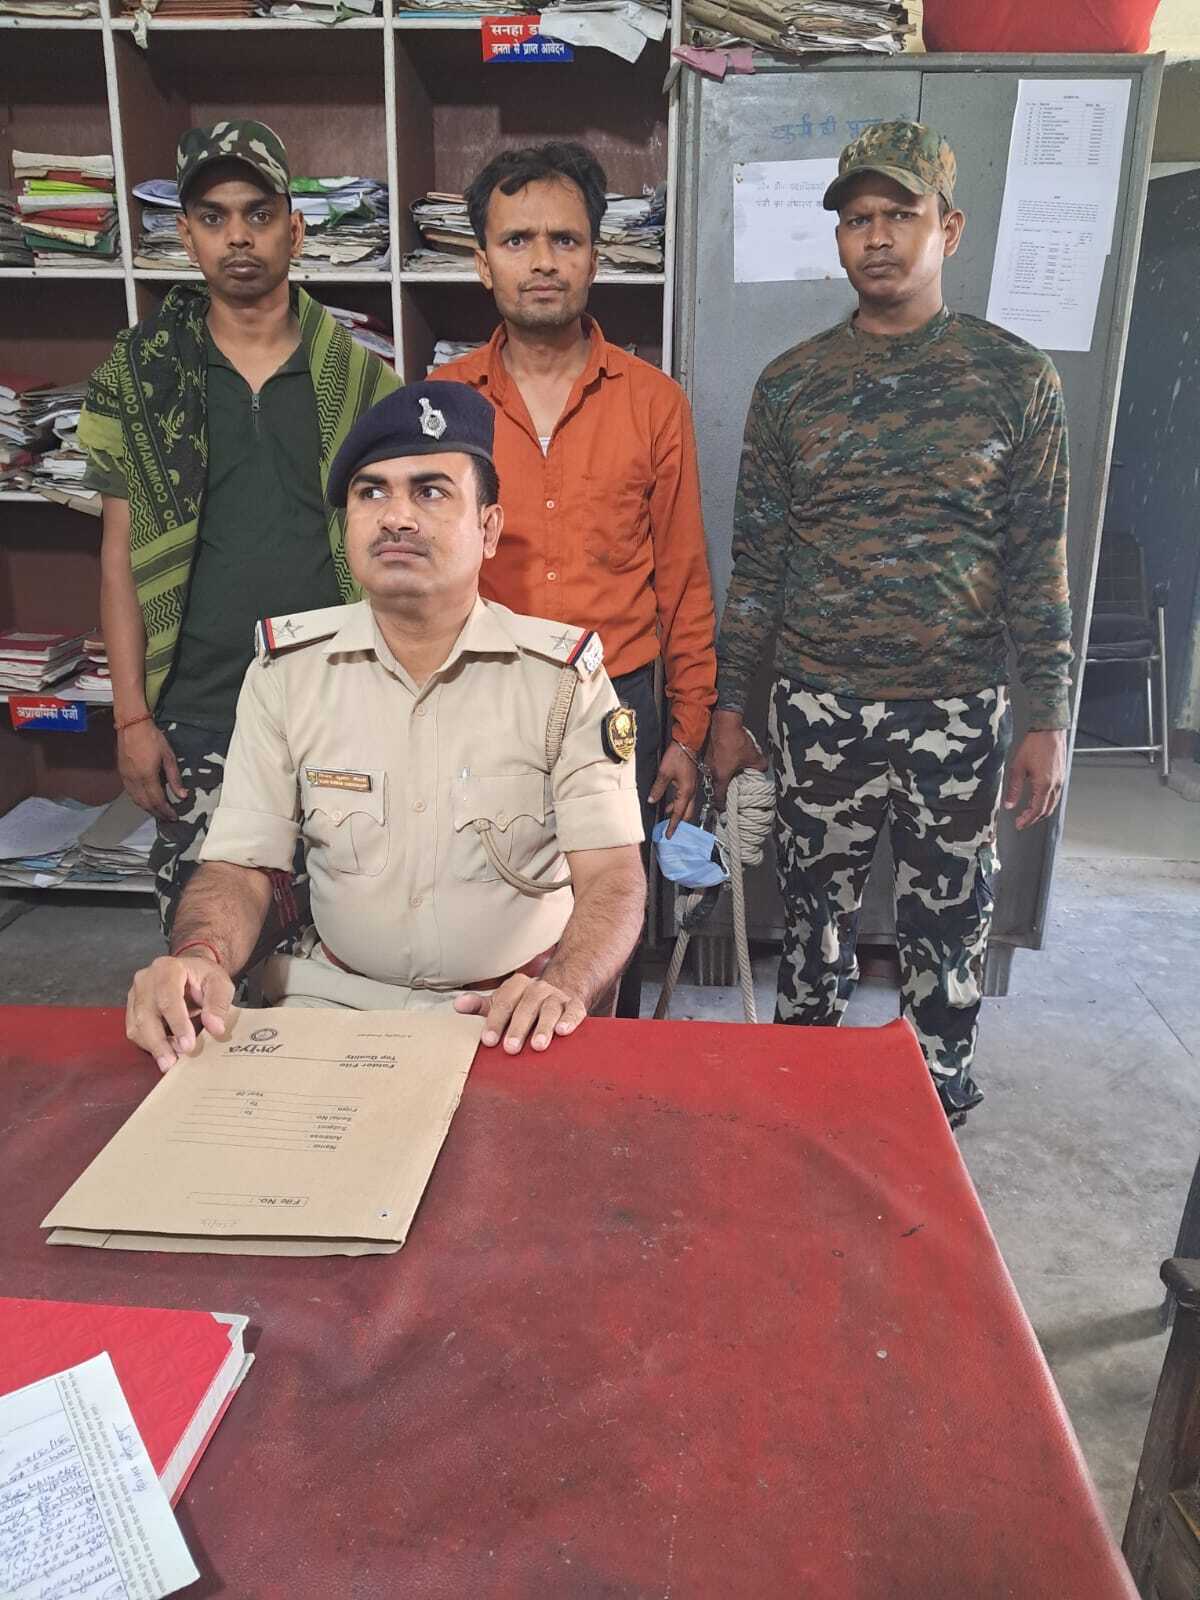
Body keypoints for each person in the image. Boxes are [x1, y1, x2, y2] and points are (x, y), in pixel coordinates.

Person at [708, 121, 1073, 1123]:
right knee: (812, 926)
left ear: (947, 228)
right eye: (857, 218)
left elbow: (1037, 560)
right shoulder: (793, 385)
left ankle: (932, 1111)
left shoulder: (1016, 380)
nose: (876, 236)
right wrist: (730, 708)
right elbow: (759, 567)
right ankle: (805, 1101)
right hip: (818, 709)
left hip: (958, 710)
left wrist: (1048, 715)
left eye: (900, 214)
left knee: (948, 928)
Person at [124, 381, 646, 1070]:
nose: (396, 517)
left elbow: (612, 875)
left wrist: (564, 987)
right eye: (371, 493)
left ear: (489, 529)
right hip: (334, 1002)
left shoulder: (563, 681)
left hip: (510, 1010)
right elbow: (242, 868)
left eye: (430, 492)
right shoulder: (287, 673)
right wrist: (199, 956)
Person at [78, 120, 399, 948]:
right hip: (199, 716)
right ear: (186, 237)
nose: (239, 237)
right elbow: (118, 558)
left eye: (258, 214)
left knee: (347, 953)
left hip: (341, 707)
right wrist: (131, 720)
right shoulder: (140, 376)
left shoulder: (363, 382)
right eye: (214, 218)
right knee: (210, 958)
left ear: (296, 229)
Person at [438, 141, 717, 1016]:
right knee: (482, 917)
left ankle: (601, 1079)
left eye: (565, 239)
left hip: (616, 706)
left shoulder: (652, 402)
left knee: (606, 926)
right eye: (517, 241)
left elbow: (683, 577)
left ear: (596, 256)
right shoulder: (443, 402)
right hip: (479, 694)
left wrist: (688, 732)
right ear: (482, 262)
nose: (543, 262)